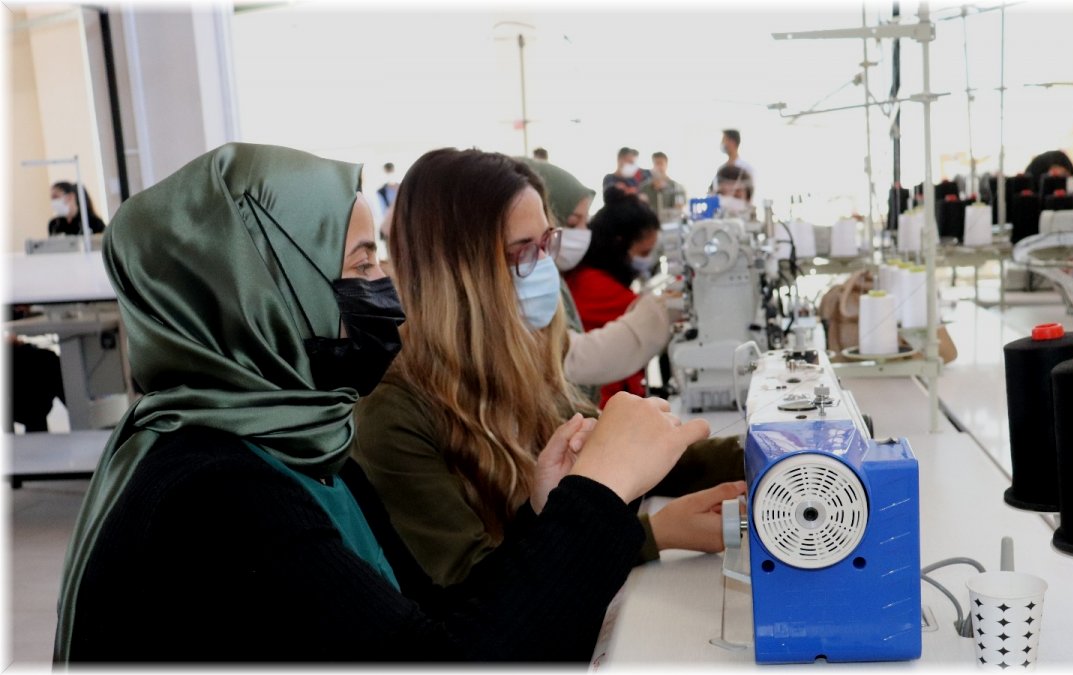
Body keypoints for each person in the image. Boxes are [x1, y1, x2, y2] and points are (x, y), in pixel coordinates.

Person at [54, 142, 709, 663]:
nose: (386, 293)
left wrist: (549, 515)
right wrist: (593, 498)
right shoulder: (216, 491)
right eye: (363, 263)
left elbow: (437, 620)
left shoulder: (305, 446)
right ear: (260, 294)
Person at [353, 148, 743, 588]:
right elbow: (476, 589)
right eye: (523, 251)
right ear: (459, 272)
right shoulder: (392, 415)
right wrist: (652, 536)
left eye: (546, 243)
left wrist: (762, 454)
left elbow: (619, 459)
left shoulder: (521, 360)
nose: (544, 268)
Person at [516, 158, 671, 401]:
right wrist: (666, 310)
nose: (583, 233)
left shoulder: (559, 283)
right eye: (571, 223)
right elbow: (576, 357)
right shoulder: (588, 284)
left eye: (548, 240)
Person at [565, 193, 662, 407]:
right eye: (644, 251)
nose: (648, 259)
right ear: (620, 242)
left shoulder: (584, 275)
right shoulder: (595, 286)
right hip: (603, 403)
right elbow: (650, 318)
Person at [639, 151, 687, 220]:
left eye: (661, 163)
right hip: (649, 225)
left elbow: (678, 211)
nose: (658, 167)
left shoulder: (677, 187)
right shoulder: (644, 188)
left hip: (670, 226)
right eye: (656, 163)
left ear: (666, 165)